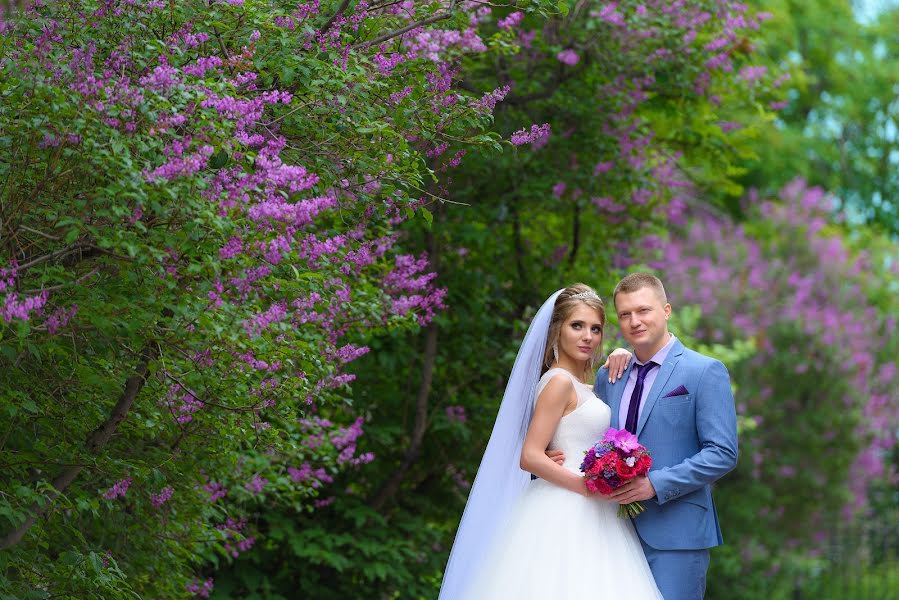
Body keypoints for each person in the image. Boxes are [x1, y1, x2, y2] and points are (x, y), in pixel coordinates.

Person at [438, 284, 663, 600]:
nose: (587, 336)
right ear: (556, 330)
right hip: (568, 504)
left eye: (595, 329)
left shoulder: (578, 382)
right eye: (577, 326)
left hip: (592, 507)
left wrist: (622, 352)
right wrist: (584, 485)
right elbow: (530, 455)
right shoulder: (558, 382)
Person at [587, 272, 738, 600]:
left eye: (644, 310)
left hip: (676, 536)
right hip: (611, 532)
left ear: (666, 310)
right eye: (625, 314)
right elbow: (590, 435)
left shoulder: (703, 371)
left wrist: (655, 484)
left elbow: (722, 452)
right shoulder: (609, 376)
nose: (634, 321)